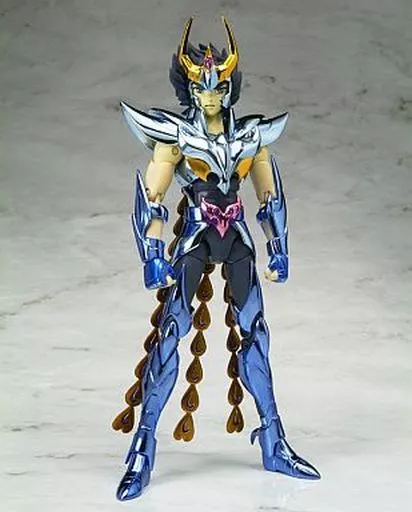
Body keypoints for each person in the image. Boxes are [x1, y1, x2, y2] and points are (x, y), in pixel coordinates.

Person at [115, 16, 320, 501]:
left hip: (239, 240)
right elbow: (153, 198)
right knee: (171, 332)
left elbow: (269, 196)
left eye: (219, 86)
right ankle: (143, 448)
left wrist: (279, 247)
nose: (210, 95)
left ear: (230, 88)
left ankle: (274, 440)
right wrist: (152, 254)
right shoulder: (176, 137)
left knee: (257, 335)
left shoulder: (250, 137)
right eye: (202, 86)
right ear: (189, 88)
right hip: (196, 237)